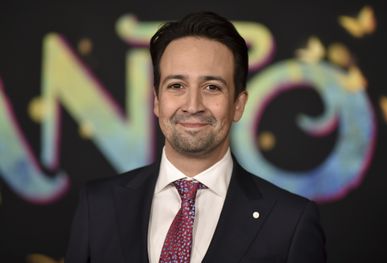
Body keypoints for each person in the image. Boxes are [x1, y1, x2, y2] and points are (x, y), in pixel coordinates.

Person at [65, 11, 326, 263]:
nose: (193, 105)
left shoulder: (290, 222)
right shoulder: (97, 206)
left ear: (238, 104)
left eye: (212, 87)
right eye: (176, 86)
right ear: (157, 101)